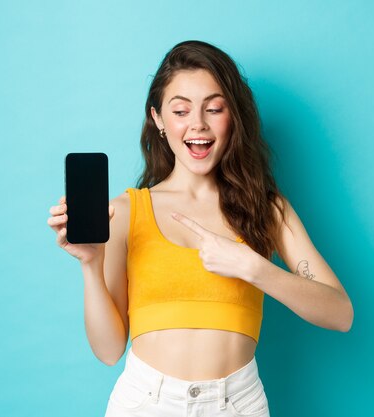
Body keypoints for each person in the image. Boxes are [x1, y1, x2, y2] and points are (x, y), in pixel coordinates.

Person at [47, 40, 353, 417]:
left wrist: (253, 267)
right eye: (181, 110)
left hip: (238, 404)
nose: (198, 124)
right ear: (158, 119)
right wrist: (91, 265)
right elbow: (109, 351)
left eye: (214, 108)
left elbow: (341, 314)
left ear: (233, 117)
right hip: (146, 403)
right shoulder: (128, 211)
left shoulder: (268, 210)